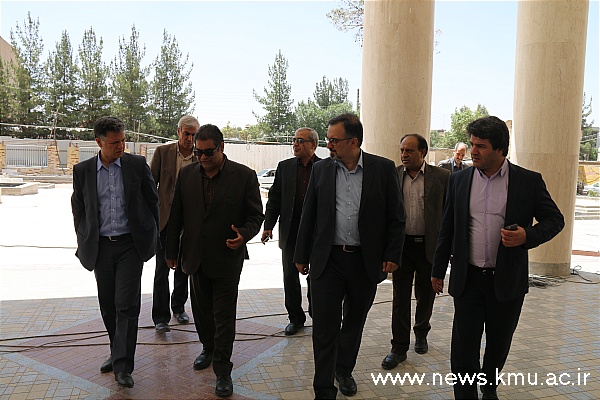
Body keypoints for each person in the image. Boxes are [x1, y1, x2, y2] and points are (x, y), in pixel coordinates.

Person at [431, 116, 564, 400]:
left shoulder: (527, 181)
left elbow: (555, 220)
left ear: (500, 149)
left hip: (506, 282)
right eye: (472, 144)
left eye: (480, 146)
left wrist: (527, 236)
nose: (473, 151)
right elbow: (447, 228)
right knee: (463, 348)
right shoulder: (459, 180)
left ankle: (489, 388)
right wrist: (437, 270)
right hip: (468, 279)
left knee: (498, 344)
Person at [294, 113, 406, 399]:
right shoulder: (321, 170)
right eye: (328, 139)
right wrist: (301, 254)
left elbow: (396, 217)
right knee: (324, 327)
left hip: (364, 262)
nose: (328, 145)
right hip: (328, 261)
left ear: (353, 142)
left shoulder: (382, 169)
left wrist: (393, 253)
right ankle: (323, 388)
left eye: (334, 140)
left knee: (354, 323)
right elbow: (309, 215)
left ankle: (343, 370)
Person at [166, 124, 264, 398]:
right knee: (201, 312)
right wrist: (171, 252)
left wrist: (244, 234)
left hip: (226, 258)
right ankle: (208, 348)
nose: (202, 158)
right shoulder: (187, 175)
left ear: (221, 147)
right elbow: (176, 216)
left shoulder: (243, 176)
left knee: (224, 316)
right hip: (195, 256)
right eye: (198, 152)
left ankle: (223, 370)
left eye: (208, 152)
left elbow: (256, 215)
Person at [71, 116, 159, 388]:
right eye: (114, 142)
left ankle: (123, 365)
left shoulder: (137, 165)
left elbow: (152, 200)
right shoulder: (83, 170)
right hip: (101, 247)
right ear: (99, 142)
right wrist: (84, 237)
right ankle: (116, 349)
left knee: (126, 304)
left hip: (130, 245)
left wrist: (151, 233)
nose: (121, 146)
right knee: (108, 304)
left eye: (123, 141)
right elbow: (79, 208)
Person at [381, 134, 450, 370]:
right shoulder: (393, 175)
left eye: (409, 151)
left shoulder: (442, 177)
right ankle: (398, 347)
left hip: (429, 246)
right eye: (402, 150)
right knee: (400, 298)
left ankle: (421, 332)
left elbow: (449, 214)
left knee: (426, 294)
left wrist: (449, 249)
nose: (404, 155)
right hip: (401, 247)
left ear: (423, 153)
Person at [261, 127, 321, 336]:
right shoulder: (284, 167)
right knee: (290, 277)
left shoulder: (325, 167)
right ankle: (295, 318)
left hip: (317, 233)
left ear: (313, 144)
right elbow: (274, 199)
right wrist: (268, 226)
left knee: (316, 277)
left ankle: (318, 315)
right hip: (291, 232)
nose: (295, 144)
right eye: (294, 140)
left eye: (300, 141)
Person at [150, 115, 199, 332]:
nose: (190, 139)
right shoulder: (163, 152)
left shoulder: (200, 155)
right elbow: (150, 185)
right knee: (162, 270)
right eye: (186, 134)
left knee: (183, 269)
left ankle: (178, 308)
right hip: (165, 222)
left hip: (189, 223)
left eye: (194, 134)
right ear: (178, 132)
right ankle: (160, 317)